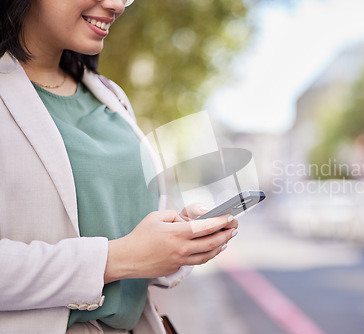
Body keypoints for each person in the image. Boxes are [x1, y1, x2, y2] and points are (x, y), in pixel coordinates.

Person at [0, 0, 239, 333]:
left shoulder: (110, 95)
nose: (116, 5)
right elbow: (120, 255)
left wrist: (176, 240)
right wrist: (116, 259)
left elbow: (125, 236)